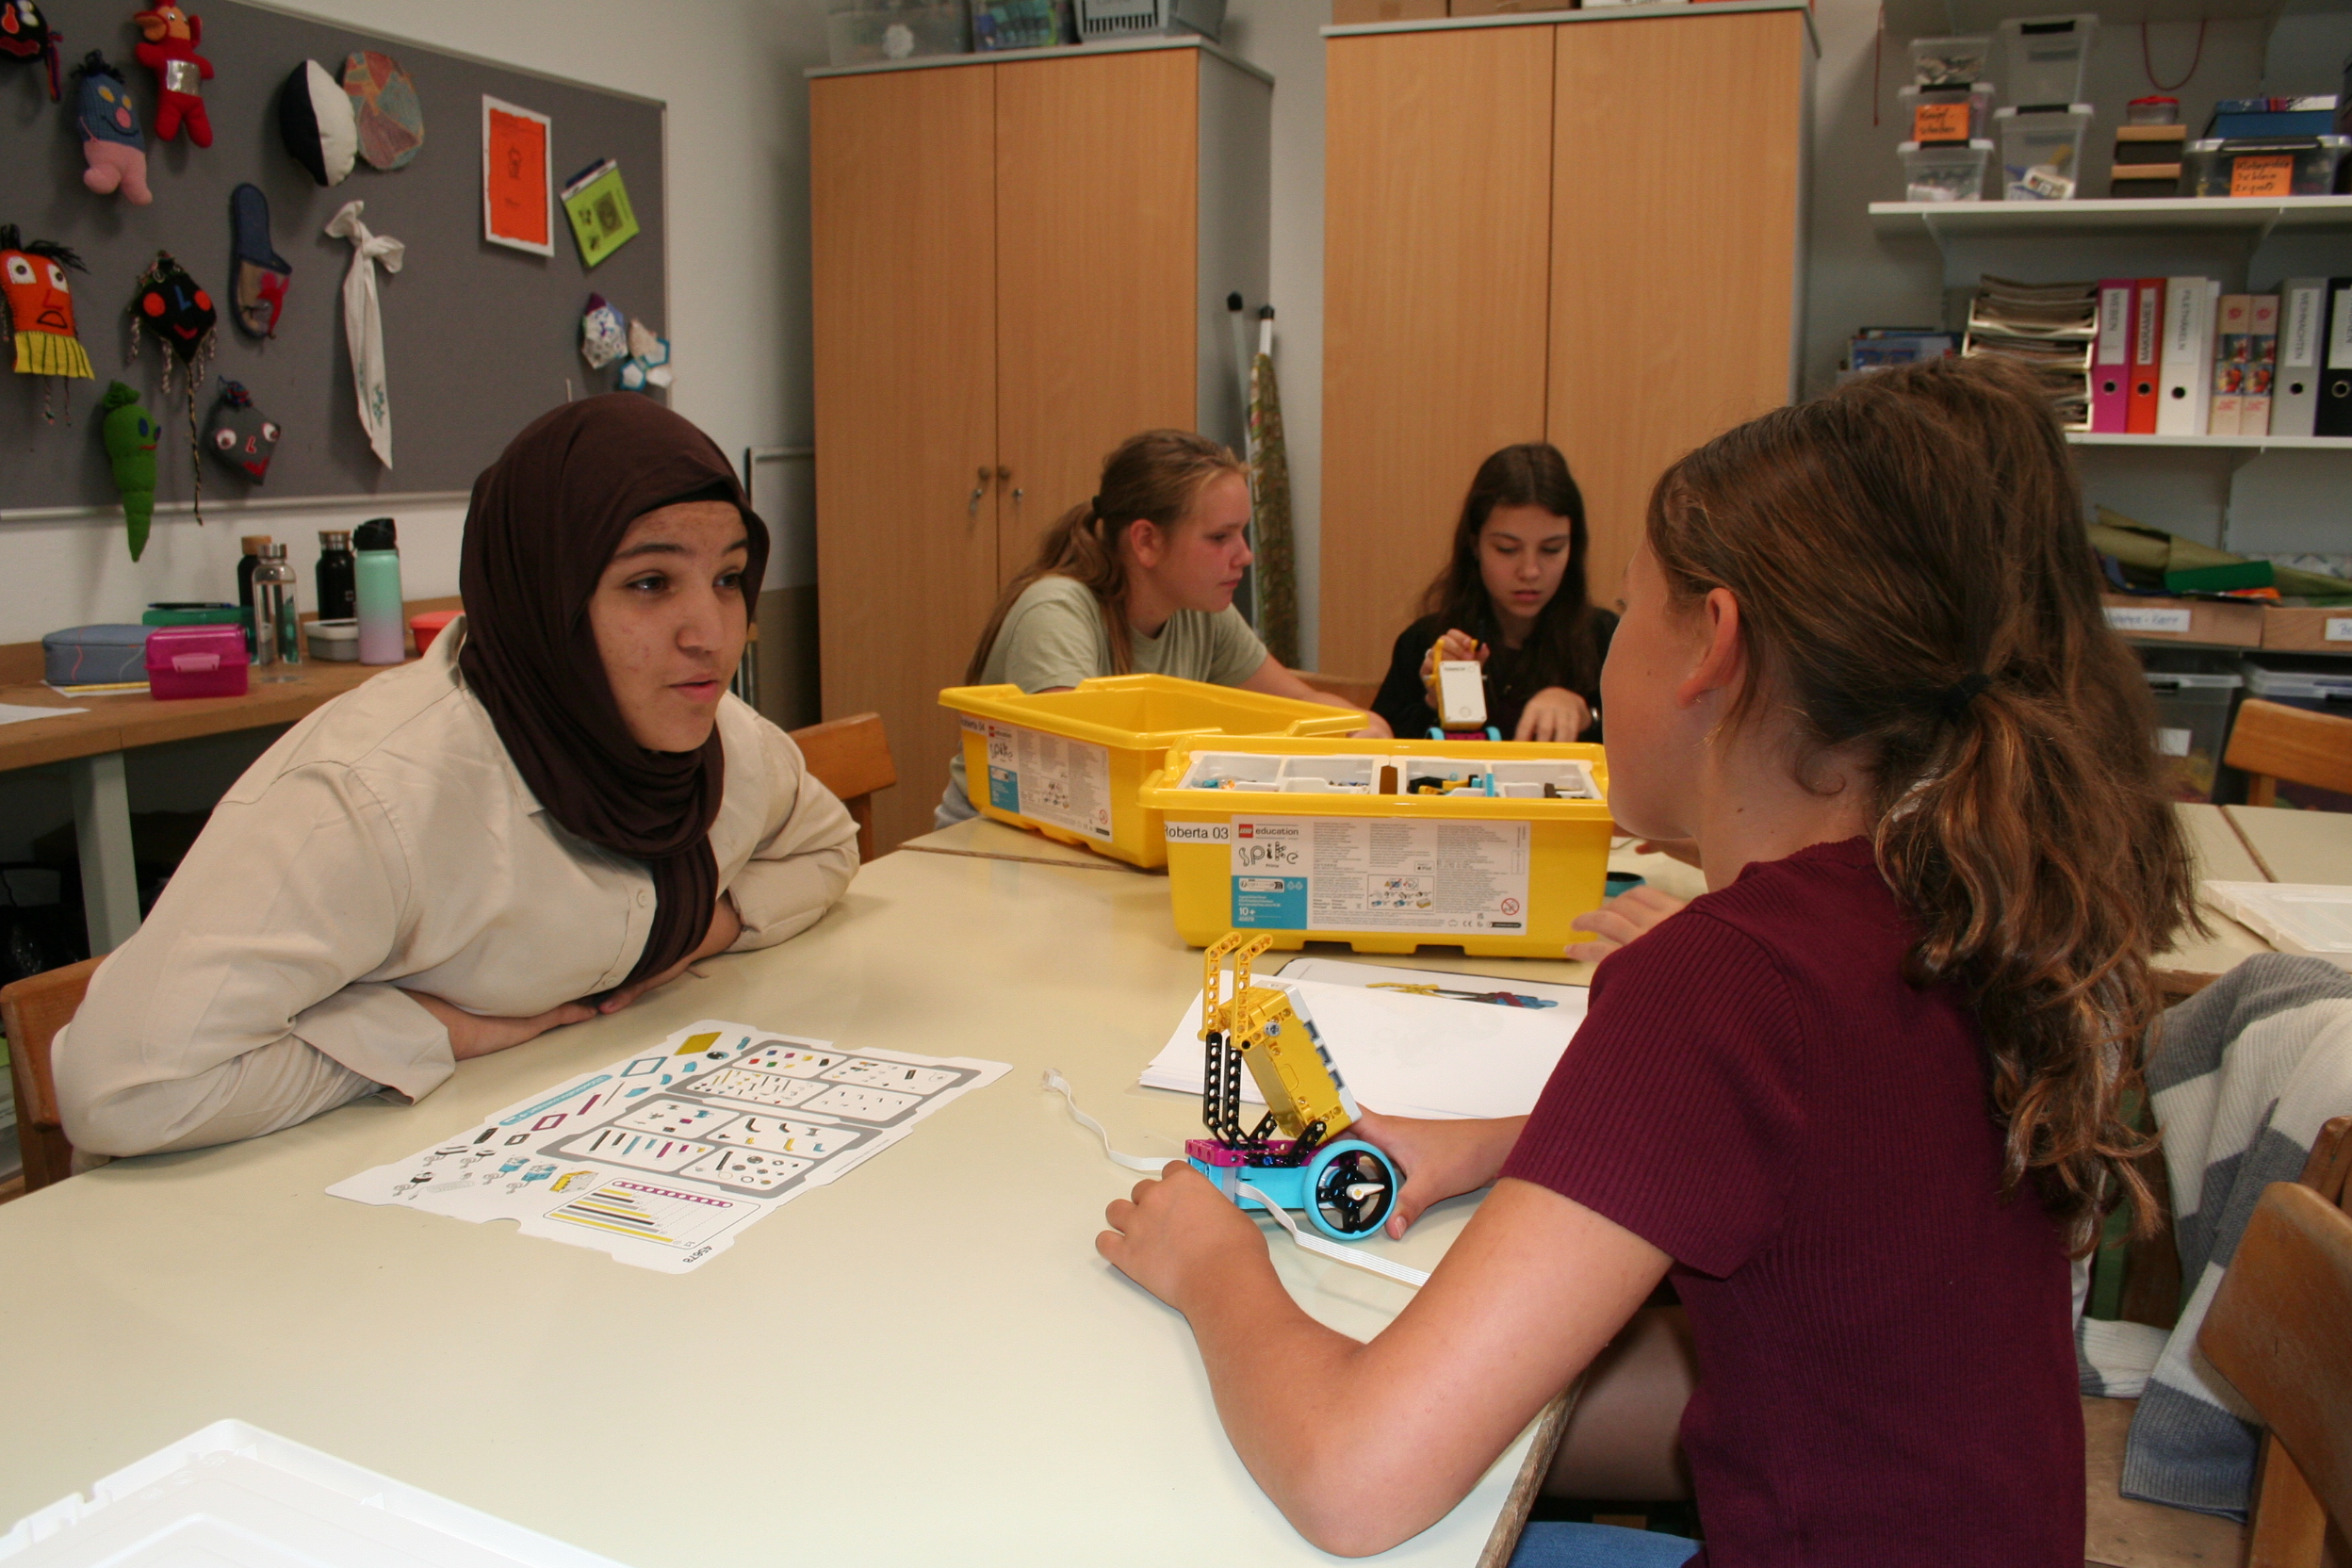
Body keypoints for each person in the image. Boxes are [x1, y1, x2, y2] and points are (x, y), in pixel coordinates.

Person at [1095, 357, 2196, 1565]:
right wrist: (1513, 1144)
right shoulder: (1957, 894)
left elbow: (1353, 1479)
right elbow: (1799, 1321)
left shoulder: (1730, 975)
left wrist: (1216, 1268)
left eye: (1628, 608)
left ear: (1711, 646)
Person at [55, 396, 860, 1157]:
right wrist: (441, 1031)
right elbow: (123, 1092)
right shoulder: (374, 793)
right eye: (649, 583)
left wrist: (693, 935)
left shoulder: (723, 743)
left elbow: (829, 849)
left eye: (729, 579)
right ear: (541, 593)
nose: (711, 635)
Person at [937, 429, 1387, 828]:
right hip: (993, 835)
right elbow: (1080, 774)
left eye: (1242, 533)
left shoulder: (1203, 610)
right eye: (1220, 537)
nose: (1245, 555)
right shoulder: (1055, 612)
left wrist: (1363, 726)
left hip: (1112, 828)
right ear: (1147, 541)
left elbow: (1302, 704)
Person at [1372, 443, 1613, 743]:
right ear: (1475, 545)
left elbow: (1649, 751)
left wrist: (1585, 714)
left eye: (1552, 549)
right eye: (1507, 549)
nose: (1530, 571)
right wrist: (1433, 705)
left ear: (1572, 547)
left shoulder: (1609, 640)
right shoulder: (1425, 641)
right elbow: (1381, 753)